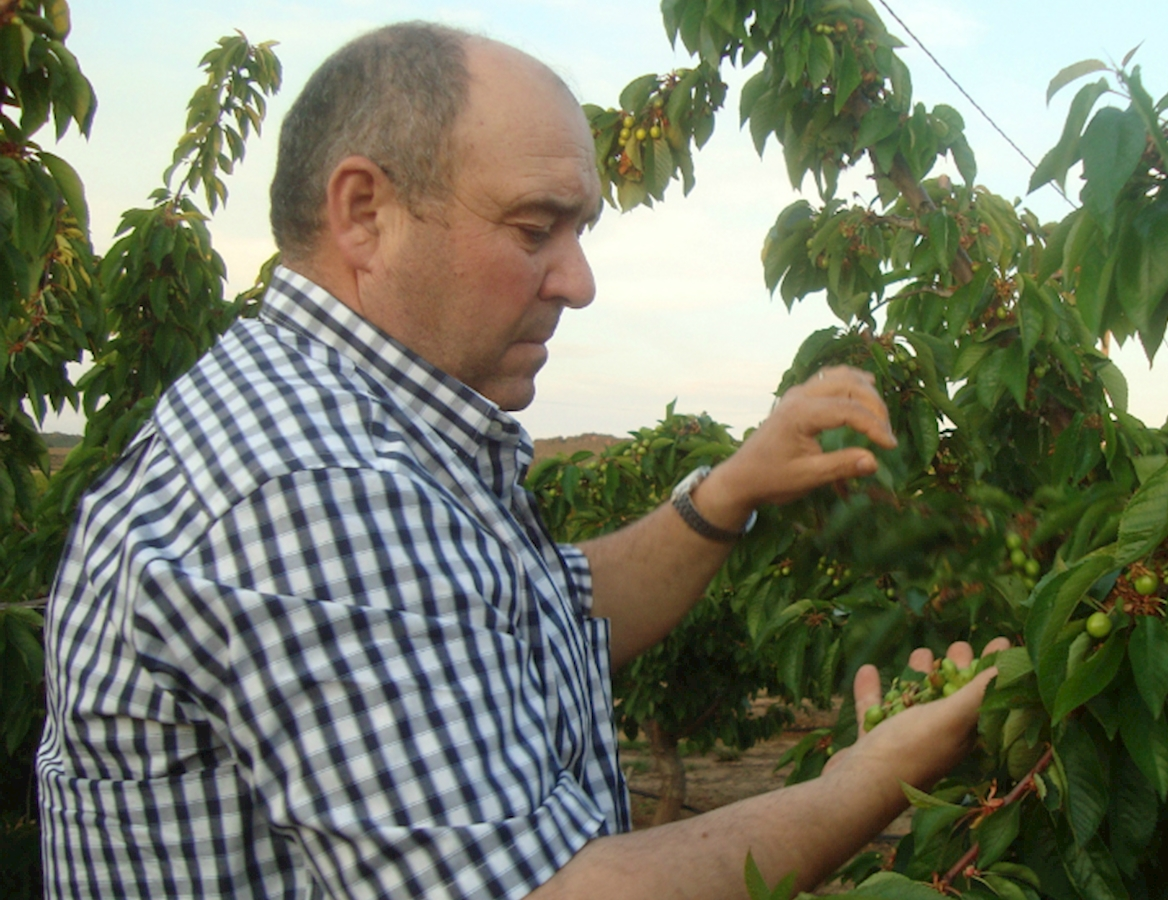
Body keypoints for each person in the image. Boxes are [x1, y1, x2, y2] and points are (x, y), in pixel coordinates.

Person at [36, 21, 1005, 900]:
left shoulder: (364, 428)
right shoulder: (313, 479)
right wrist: (869, 781)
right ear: (364, 212)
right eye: (535, 228)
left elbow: (535, 614)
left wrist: (730, 488)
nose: (577, 281)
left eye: (579, 231)